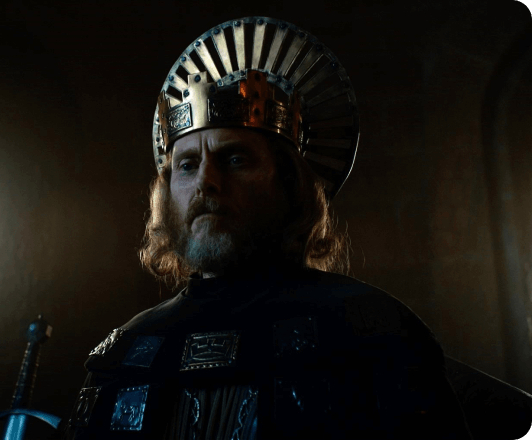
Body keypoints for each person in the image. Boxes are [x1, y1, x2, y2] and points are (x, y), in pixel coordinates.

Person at [64, 16, 473, 439]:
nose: (206, 181)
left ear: (289, 183)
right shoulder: (127, 350)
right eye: (187, 165)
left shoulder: (370, 330)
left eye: (235, 159)